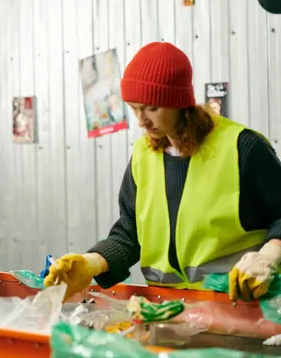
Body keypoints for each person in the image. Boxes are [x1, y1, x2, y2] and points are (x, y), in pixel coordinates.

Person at [45, 42, 281, 303]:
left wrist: (269, 256)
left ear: (179, 102)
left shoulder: (242, 148)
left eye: (152, 108)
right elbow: (130, 232)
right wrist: (91, 263)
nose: (141, 120)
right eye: (134, 108)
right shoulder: (143, 155)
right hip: (169, 311)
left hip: (242, 306)